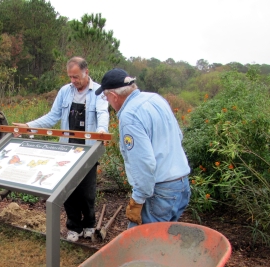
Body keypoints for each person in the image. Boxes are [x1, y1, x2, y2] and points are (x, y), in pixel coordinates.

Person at [12, 57, 109, 242]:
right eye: (70, 77)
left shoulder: (98, 92)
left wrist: (101, 131)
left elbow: (103, 114)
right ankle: (74, 227)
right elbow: (52, 116)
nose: (73, 81)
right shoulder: (65, 91)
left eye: (76, 76)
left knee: (87, 192)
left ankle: (89, 224)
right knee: (67, 191)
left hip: (88, 149)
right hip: (67, 149)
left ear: (86, 72)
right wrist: (27, 125)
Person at [95, 68, 191, 227]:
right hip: (181, 186)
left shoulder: (130, 116)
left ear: (114, 96)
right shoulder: (156, 99)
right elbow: (178, 136)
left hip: (160, 192)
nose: (108, 102)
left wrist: (137, 201)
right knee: (162, 242)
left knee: (139, 245)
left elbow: (143, 163)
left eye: (106, 97)